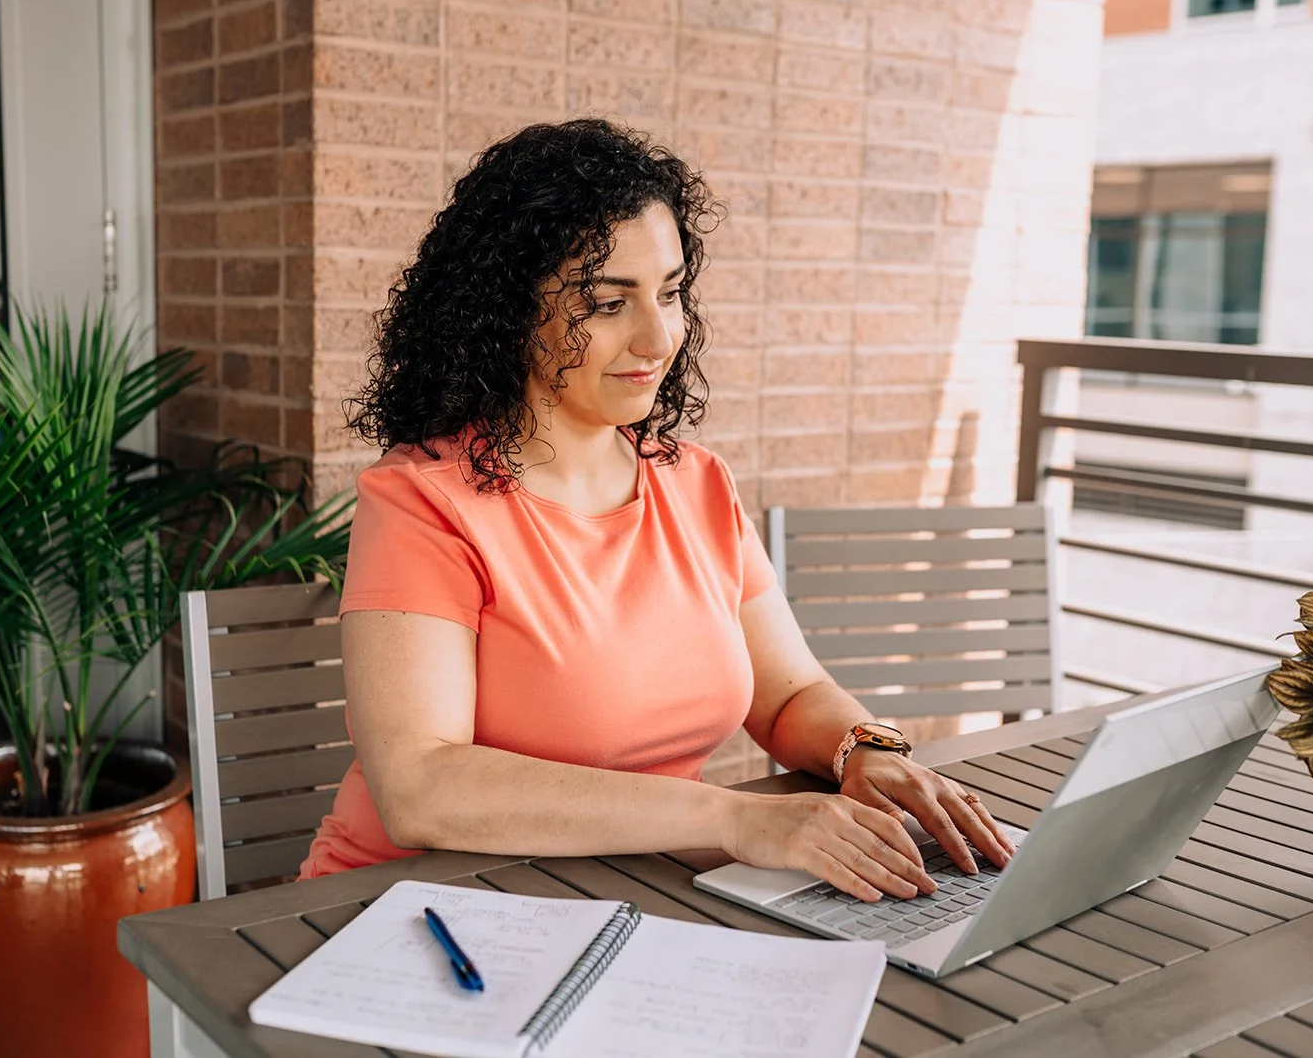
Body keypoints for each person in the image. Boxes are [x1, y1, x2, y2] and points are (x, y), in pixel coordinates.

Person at [298, 118, 1015, 902]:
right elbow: (421, 784)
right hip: (410, 907)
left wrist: (865, 749)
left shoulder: (697, 483)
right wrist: (734, 819)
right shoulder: (423, 502)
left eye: (671, 293)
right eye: (609, 303)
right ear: (505, 313)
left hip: (637, 898)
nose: (658, 336)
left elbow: (789, 694)